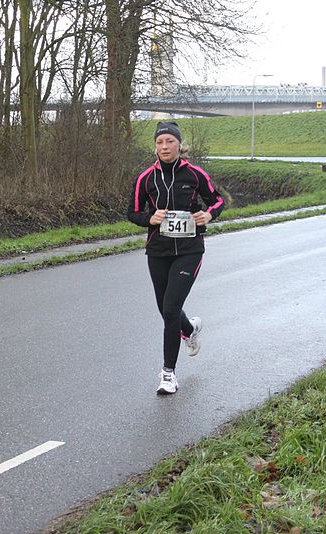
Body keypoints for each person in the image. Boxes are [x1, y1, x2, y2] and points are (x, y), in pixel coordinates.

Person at [127, 121, 225, 394]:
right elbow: (132, 212)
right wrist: (149, 218)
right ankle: (190, 329)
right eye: (160, 142)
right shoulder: (145, 178)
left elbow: (218, 200)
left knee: (170, 308)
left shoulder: (195, 174)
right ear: (155, 147)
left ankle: (168, 374)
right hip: (158, 250)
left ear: (179, 145)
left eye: (169, 141)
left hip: (189, 250)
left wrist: (208, 214)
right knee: (165, 309)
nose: (164, 146)